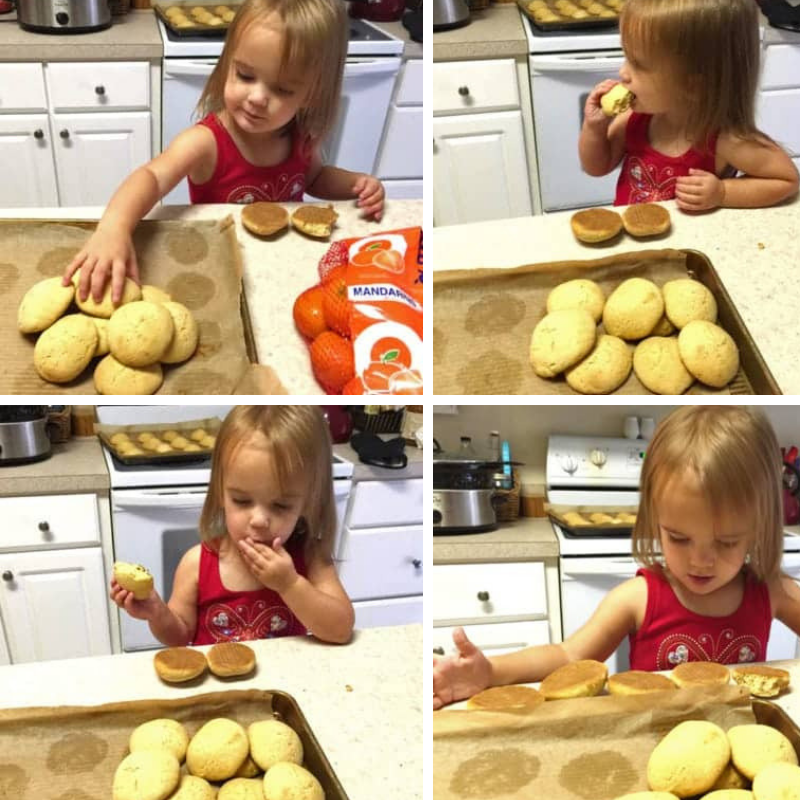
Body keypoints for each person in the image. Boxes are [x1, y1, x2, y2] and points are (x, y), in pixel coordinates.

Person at [433, 406, 800, 709]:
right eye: (679, 538)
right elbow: (566, 656)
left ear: (758, 528)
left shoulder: (771, 591)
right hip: (646, 744)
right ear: (655, 521)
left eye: (726, 543)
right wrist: (489, 671)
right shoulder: (637, 599)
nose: (700, 561)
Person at [63, 0, 386, 304]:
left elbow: (314, 178)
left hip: (285, 269)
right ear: (226, 64)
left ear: (312, 94)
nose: (257, 97)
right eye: (245, 75)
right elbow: (152, 176)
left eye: (283, 89)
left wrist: (357, 183)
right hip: (219, 270)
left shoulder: (299, 137)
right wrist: (114, 227)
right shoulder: (205, 143)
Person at [111, 406, 354, 646]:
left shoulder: (310, 558)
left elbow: (341, 630)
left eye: (280, 505)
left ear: (308, 502)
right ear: (219, 494)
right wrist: (157, 613)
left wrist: (289, 584)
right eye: (241, 500)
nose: (258, 520)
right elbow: (179, 637)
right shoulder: (196, 564)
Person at [578, 0, 799, 209]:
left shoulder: (723, 139)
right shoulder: (634, 119)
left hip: (687, 247)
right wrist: (594, 128)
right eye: (626, 57)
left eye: (639, 65)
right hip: (635, 242)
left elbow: (786, 180)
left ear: (692, 85)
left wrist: (722, 192)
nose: (623, 73)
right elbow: (597, 167)